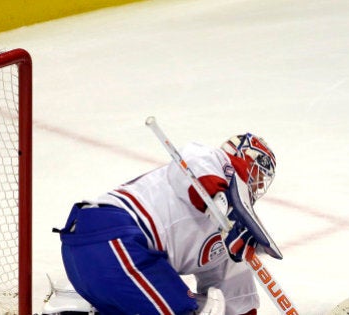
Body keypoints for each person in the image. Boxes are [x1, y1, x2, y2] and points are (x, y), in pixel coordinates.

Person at [55, 133, 278, 314]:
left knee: (192, 305)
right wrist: (226, 211)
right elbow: (198, 173)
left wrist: (231, 223)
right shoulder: (212, 159)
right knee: (184, 310)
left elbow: (237, 301)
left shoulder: (231, 240)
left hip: (113, 267)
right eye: (258, 173)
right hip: (108, 237)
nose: (258, 186)